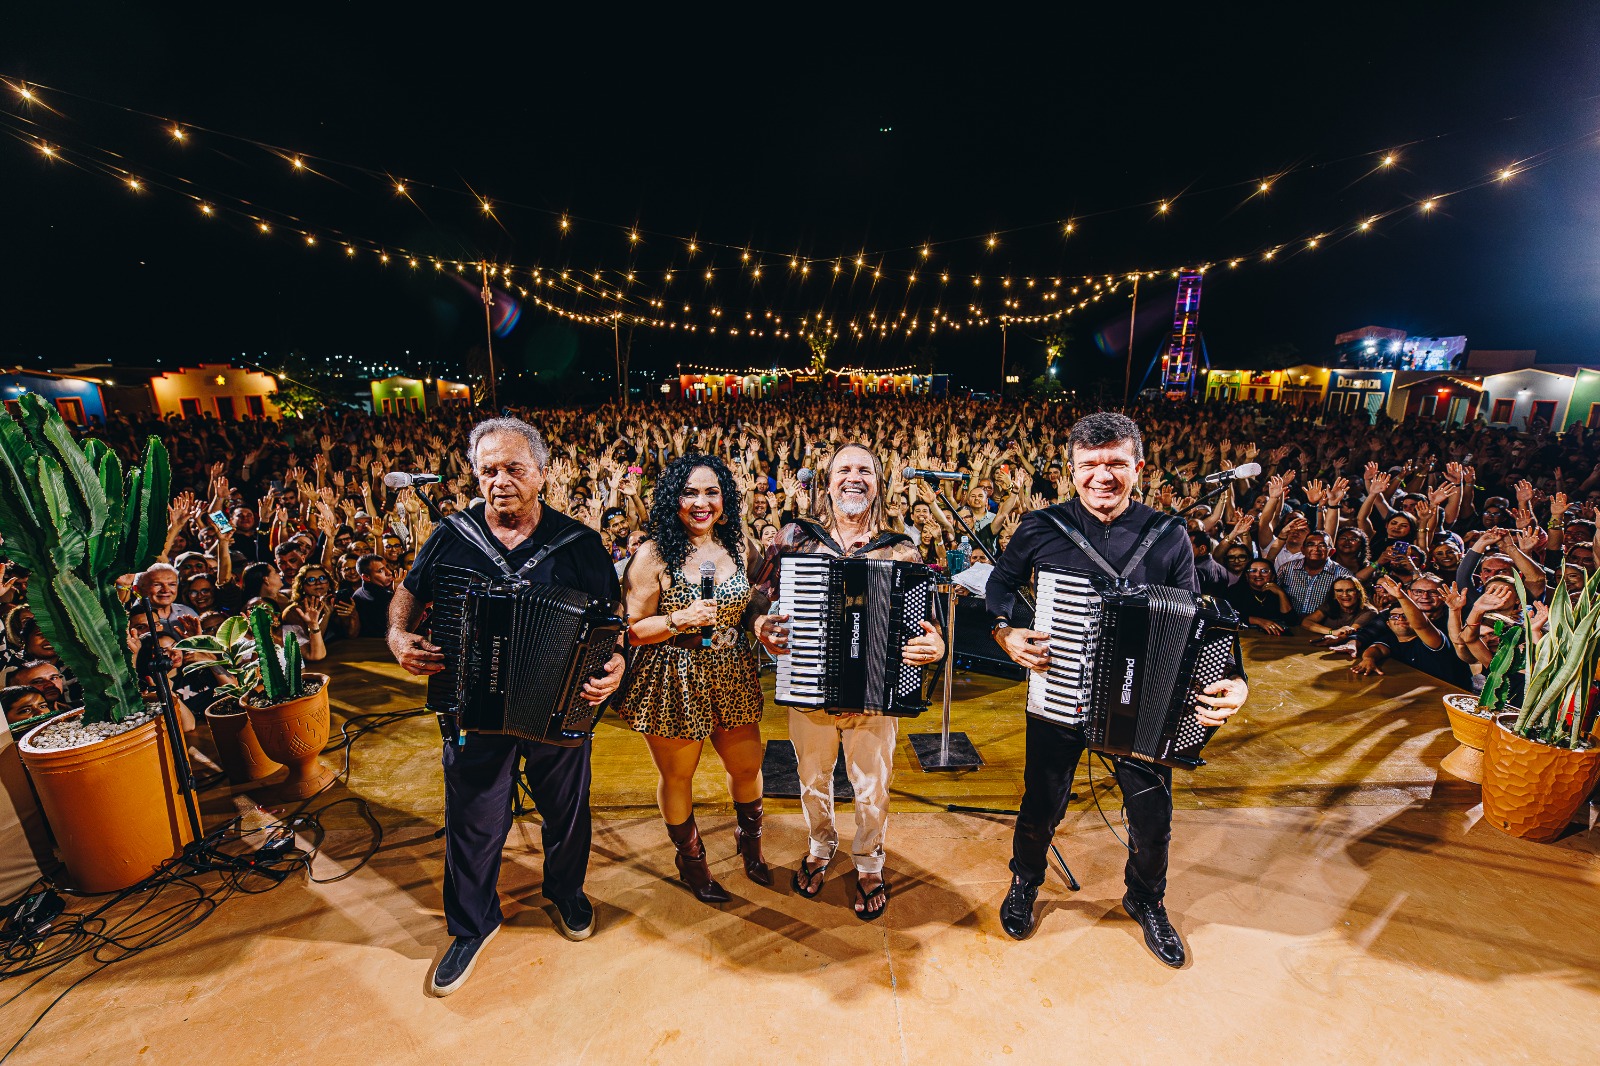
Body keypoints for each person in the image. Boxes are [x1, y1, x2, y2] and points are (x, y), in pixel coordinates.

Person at [986, 411, 1248, 967]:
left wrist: (1236, 682)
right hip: (1058, 696)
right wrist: (1006, 631)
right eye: (1088, 465)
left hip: (1140, 708)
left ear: (1138, 467)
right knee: (1040, 806)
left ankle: (1146, 900)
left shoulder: (1169, 534)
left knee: (1154, 817)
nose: (1101, 475)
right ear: (1070, 470)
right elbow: (999, 585)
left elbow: (1200, 623)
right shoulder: (1041, 527)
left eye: (1115, 463)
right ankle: (1025, 882)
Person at [387, 416, 625, 998]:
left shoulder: (579, 544)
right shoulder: (452, 535)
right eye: (488, 469)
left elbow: (610, 622)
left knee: (567, 812)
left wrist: (615, 664)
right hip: (470, 707)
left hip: (558, 709)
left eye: (514, 469)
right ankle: (473, 923)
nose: (500, 481)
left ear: (541, 474)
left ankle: (565, 891)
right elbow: (410, 593)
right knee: (471, 820)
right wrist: (396, 635)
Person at [755, 443, 945, 921]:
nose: (853, 477)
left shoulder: (901, 548)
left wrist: (936, 647)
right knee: (812, 781)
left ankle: (868, 860)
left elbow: (931, 627)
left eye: (865, 469)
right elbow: (758, 599)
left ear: (879, 483)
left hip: (876, 699)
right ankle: (820, 846)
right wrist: (761, 626)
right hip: (808, 692)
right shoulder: (797, 538)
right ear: (828, 481)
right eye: (844, 469)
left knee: (872, 787)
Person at [618, 455, 768, 905]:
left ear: (725, 498)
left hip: (732, 670)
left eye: (711, 492)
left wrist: (759, 623)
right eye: (689, 492)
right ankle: (691, 859)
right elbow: (632, 629)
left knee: (747, 766)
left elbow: (755, 598)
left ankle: (751, 841)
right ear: (672, 499)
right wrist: (680, 619)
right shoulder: (653, 555)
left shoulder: (739, 544)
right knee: (678, 776)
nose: (701, 503)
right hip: (674, 675)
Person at [1225, 558, 1299, 634]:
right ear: (1246, 576)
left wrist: (1281, 594)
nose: (1258, 575)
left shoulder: (1277, 592)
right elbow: (1227, 617)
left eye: (1264, 571)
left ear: (1272, 576)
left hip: (1273, 638)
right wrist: (1258, 621)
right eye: (1253, 571)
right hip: (1243, 635)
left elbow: (1292, 621)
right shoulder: (1234, 592)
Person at [353, 554, 394, 637]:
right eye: (380, 571)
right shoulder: (384, 597)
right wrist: (400, 592)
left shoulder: (359, 591)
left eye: (387, 567)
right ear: (366, 577)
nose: (389, 572)